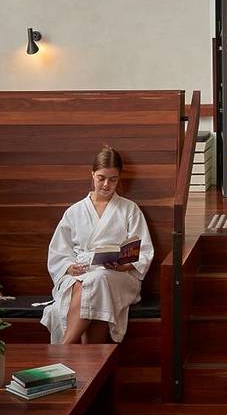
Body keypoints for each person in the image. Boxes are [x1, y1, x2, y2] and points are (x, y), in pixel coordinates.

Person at [41, 146, 154, 344]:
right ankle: (91, 364)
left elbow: (144, 251)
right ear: (92, 174)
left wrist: (125, 265)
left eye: (113, 179)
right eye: (101, 178)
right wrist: (69, 266)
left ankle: (64, 347)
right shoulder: (74, 211)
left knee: (99, 279)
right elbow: (58, 252)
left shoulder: (129, 209)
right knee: (93, 283)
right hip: (81, 275)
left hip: (120, 277)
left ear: (119, 179)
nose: (106, 185)